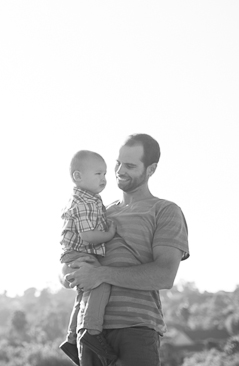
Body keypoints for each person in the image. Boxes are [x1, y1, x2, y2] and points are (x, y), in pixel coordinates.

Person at [63, 134, 189, 366]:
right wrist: (68, 273)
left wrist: (100, 274)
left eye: (130, 166)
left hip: (135, 329)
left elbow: (164, 275)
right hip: (88, 333)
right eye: (118, 163)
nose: (120, 170)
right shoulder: (99, 211)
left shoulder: (165, 211)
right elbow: (67, 261)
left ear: (151, 169)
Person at [59, 151, 119, 366]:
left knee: (83, 297)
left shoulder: (89, 199)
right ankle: (91, 332)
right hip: (80, 254)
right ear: (78, 177)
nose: (104, 179)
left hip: (75, 255)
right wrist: (109, 235)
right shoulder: (84, 202)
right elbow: (88, 236)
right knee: (100, 282)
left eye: (105, 174)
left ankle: (72, 336)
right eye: (98, 174)